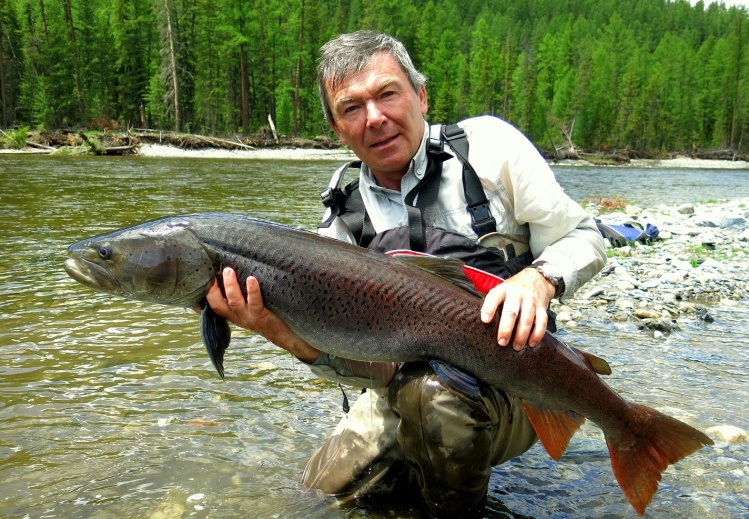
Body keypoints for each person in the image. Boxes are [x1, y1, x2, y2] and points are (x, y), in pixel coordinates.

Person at [205, 30, 607, 518]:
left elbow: (584, 236)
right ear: (336, 127)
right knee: (317, 500)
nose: (374, 118)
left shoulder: (490, 150)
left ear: (420, 95)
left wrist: (537, 280)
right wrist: (281, 333)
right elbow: (366, 366)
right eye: (351, 107)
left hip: (524, 379)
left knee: (433, 400)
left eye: (387, 94)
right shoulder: (342, 224)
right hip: (405, 390)